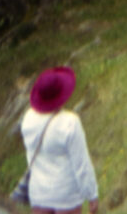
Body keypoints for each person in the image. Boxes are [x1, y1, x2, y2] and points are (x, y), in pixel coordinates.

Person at [20, 65, 99, 214]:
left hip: (39, 194)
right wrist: (92, 194)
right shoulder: (70, 123)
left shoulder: (28, 120)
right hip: (66, 197)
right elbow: (81, 164)